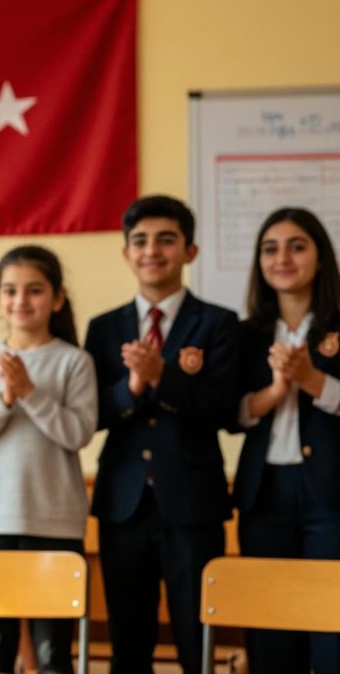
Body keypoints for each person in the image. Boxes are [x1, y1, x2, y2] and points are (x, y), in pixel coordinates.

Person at [83, 195, 239, 674]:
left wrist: (163, 377)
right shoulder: (104, 327)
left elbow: (225, 409)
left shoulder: (218, 323)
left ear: (189, 251)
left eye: (166, 239)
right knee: (129, 642)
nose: (153, 250)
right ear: (127, 253)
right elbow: (91, 416)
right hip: (123, 503)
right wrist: (132, 387)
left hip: (193, 502)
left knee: (197, 637)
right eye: (141, 241)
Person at [0, 245, 96, 674]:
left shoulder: (74, 361)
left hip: (56, 521)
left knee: (53, 655)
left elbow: (78, 433)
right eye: (10, 291)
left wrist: (30, 393)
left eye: (34, 290)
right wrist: (5, 399)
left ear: (57, 298)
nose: (21, 300)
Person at [232, 207, 340, 673]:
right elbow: (231, 414)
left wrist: (312, 379)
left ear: (320, 257)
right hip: (264, 494)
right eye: (270, 248)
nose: (283, 258)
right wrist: (277, 390)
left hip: (331, 493)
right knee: (271, 630)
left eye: (297, 246)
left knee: (330, 628)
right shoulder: (244, 334)